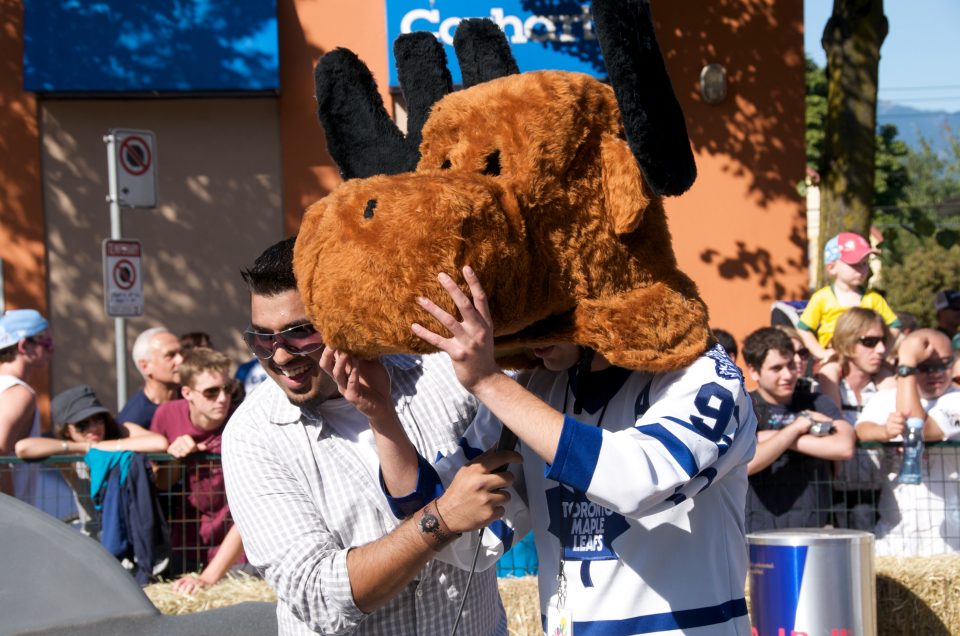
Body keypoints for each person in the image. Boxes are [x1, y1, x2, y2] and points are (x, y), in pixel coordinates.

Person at [331, 266, 757, 634]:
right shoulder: (534, 387)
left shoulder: (703, 371)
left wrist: (487, 381)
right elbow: (461, 537)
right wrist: (381, 414)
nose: (527, 326)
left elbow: (637, 482)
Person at [221, 239, 511, 635]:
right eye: (262, 340)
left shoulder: (441, 370)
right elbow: (319, 597)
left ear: (346, 317)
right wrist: (441, 520)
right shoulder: (254, 435)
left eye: (299, 334)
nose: (281, 356)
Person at [855, 329, 960, 556]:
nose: (936, 373)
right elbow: (862, 429)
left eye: (944, 364)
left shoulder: (956, 398)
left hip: (948, 540)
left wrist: (908, 361)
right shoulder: (886, 397)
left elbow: (919, 425)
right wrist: (883, 431)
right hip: (895, 532)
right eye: (925, 367)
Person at [15, 385, 168, 537]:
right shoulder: (71, 455)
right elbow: (23, 448)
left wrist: (104, 447)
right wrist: (84, 447)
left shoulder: (120, 431)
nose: (93, 428)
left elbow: (159, 443)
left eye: (98, 419)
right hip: (95, 541)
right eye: (83, 424)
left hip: (133, 536)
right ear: (67, 430)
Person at [742, 326, 854, 531]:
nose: (788, 375)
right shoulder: (744, 407)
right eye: (776, 368)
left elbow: (844, 446)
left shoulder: (817, 402)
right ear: (754, 371)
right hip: (758, 528)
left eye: (791, 365)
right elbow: (747, 463)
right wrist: (797, 428)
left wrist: (774, 439)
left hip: (813, 525)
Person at [151, 347, 242, 580]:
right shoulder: (166, 415)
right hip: (185, 546)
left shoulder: (242, 422)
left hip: (238, 555)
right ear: (187, 393)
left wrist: (209, 577)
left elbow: (252, 509)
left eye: (227, 388)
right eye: (211, 392)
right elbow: (162, 483)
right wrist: (174, 458)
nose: (223, 398)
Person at [816, 308, 896, 529]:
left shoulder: (886, 385)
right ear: (848, 343)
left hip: (880, 494)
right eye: (869, 341)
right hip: (832, 495)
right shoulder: (827, 383)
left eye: (883, 341)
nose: (880, 349)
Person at [0, 309, 71, 516]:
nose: (52, 349)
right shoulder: (18, 393)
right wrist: (14, 514)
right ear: (24, 345)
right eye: (46, 342)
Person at [797, 232, 901, 364]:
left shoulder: (873, 299)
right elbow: (803, 329)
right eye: (855, 264)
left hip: (866, 359)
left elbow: (895, 325)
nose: (862, 269)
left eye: (864, 263)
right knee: (831, 373)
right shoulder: (822, 298)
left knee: (886, 377)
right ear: (832, 267)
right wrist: (821, 353)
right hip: (835, 359)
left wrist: (883, 353)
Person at [118, 327, 183, 428]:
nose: (181, 360)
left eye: (181, 353)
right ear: (145, 366)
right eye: (170, 355)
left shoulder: (193, 398)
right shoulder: (134, 418)